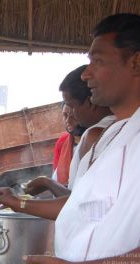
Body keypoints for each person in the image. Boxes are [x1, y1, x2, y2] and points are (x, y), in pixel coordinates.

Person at [0, 14, 140, 264]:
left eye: (98, 61)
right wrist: (19, 203)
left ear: (136, 63)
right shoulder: (117, 132)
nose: (85, 74)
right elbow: (83, 206)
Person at [26, 65, 113, 197]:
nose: (71, 115)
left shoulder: (94, 135)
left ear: (91, 102)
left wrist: (20, 203)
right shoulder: (120, 126)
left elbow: (77, 203)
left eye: (72, 106)